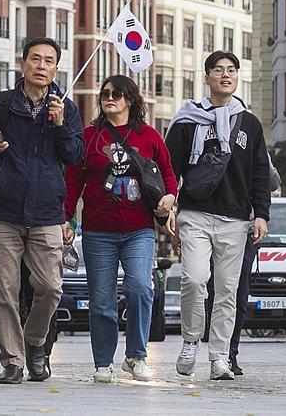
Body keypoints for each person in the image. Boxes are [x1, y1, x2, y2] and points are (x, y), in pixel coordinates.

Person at [0, 37, 84, 385]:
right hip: (4, 210)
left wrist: (61, 125)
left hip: (48, 211)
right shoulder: (0, 105)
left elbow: (75, 156)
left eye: (49, 60)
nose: (42, 66)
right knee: (4, 291)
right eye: (36, 59)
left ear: (56, 68)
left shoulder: (66, 108)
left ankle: (35, 344)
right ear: (23, 64)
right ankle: (13, 361)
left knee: (50, 287)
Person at [64, 75, 179, 383]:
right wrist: (66, 218)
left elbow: (167, 173)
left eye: (116, 94)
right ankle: (103, 362)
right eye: (105, 93)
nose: (109, 98)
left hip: (139, 229)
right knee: (101, 300)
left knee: (140, 288)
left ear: (130, 99)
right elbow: (73, 181)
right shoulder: (88, 137)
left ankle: (136, 356)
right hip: (97, 231)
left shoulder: (149, 136)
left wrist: (170, 197)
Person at [165, 51, 271, 381]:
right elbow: (170, 169)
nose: (226, 75)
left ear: (238, 77)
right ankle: (190, 340)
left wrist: (261, 214)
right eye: (218, 70)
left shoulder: (249, 123)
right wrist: (170, 209)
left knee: (227, 290)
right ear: (207, 76)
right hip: (195, 214)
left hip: (237, 219)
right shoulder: (187, 121)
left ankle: (220, 357)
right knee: (194, 279)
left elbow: (260, 174)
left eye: (231, 70)